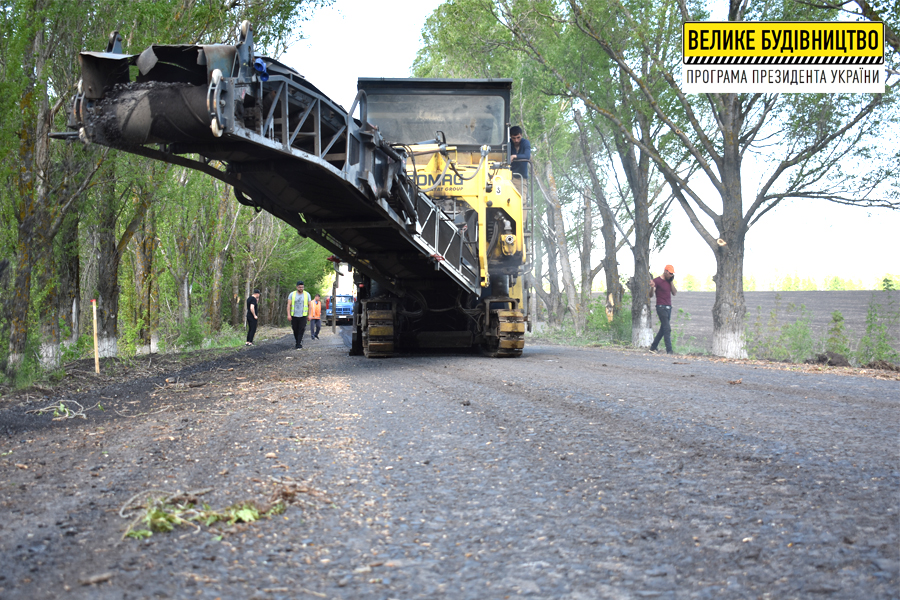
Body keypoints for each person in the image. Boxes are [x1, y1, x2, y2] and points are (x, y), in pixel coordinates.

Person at [649, 265, 677, 354]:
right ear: (665, 271)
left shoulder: (669, 281)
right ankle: (669, 351)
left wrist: (671, 282)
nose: (671, 275)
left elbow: (674, 293)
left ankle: (653, 347)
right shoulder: (657, 281)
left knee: (663, 329)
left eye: (672, 274)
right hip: (661, 307)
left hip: (669, 307)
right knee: (667, 329)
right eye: (670, 273)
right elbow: (651, 295)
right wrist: (652, 287)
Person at [287, 280, 311, 349]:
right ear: (297, 287)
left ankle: (298, 343)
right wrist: (288, 315)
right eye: (300, 287)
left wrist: (309, 315)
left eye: (302, 287)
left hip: (303, 315)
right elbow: (289, 305)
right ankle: (297, 341)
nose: (301, 288)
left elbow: (310, 305)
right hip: (294, 315)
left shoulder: (307, 294)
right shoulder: (292, 294)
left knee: (302, 329)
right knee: (295, 329)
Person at [509, 126, 531, 195]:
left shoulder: (525, 143)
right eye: (514, 138)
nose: (516, 140)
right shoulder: (508, 144)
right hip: (507, 176)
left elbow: (527, 156)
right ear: (510, 137)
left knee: (522, 201)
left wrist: (515, 156)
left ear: (521, 135)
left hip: (521, 177)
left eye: (518, 137)